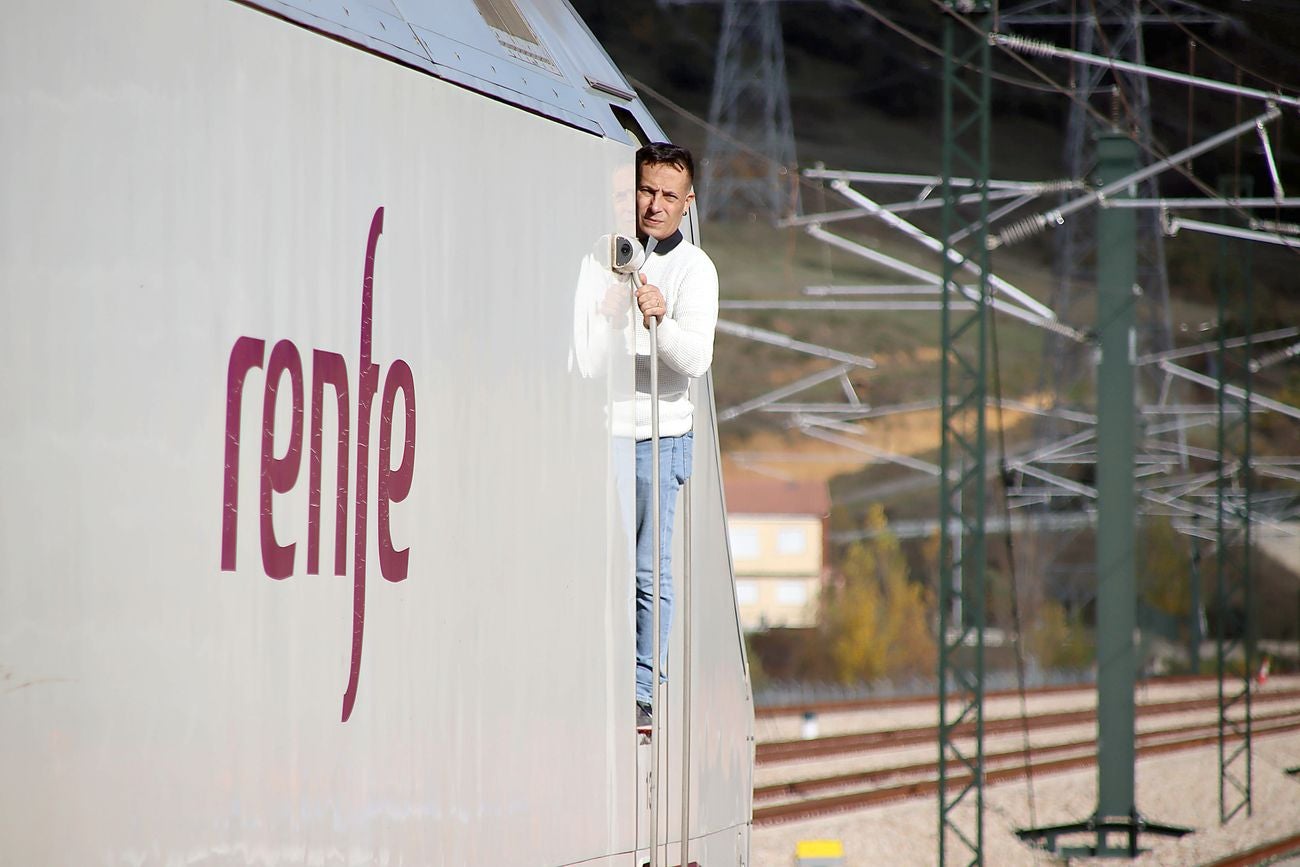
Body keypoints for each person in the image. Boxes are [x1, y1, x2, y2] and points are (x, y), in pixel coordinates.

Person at [631, 143, 719, 729]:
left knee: (646, 569)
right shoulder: (609, 254)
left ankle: (641, 688)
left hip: (657, 437)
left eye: (669, 195)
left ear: (688, 204)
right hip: (601, 427)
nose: (655, 205)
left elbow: (696, 359)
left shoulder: (695, 269)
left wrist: (657, 318)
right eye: (646, 190)